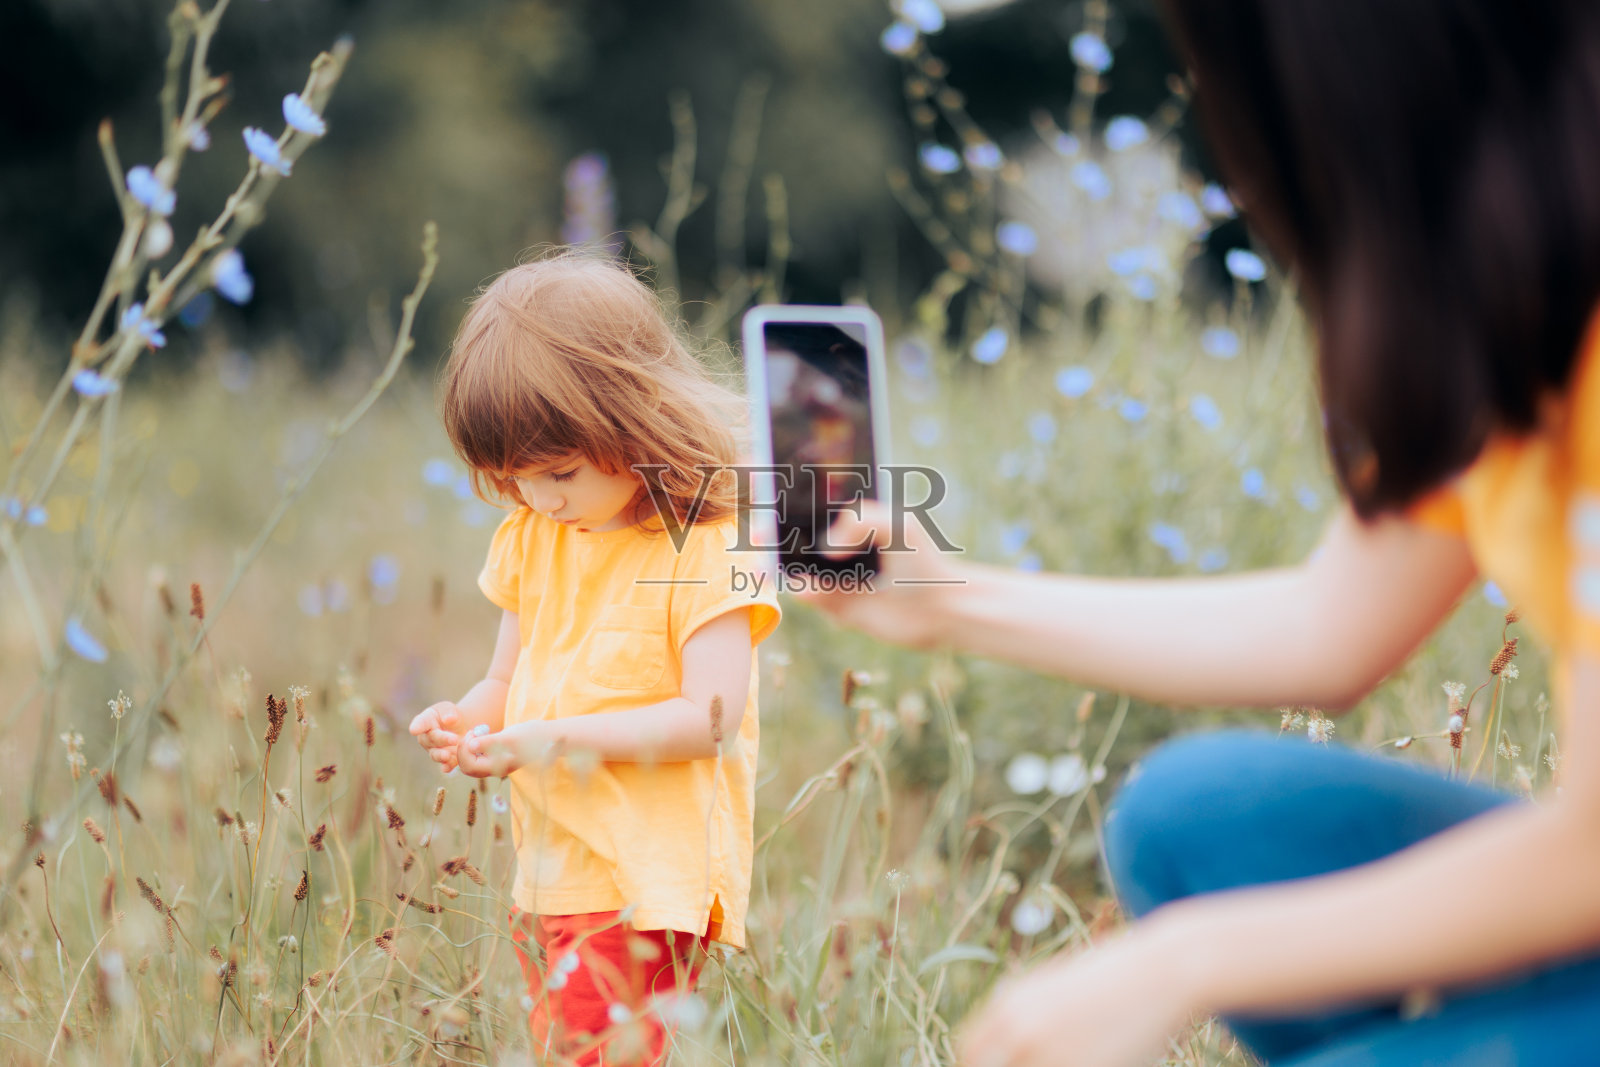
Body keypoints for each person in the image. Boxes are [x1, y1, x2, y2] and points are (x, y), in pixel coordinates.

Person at [795, 1, 1600, 1064]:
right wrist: (948, 598)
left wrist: (1183, 961)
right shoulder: (1509, 314)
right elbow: (1328, 628)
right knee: (1201, 810)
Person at [408, 252, 782, 1066]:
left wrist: (547, 741)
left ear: (633, 419)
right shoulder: (534, 534)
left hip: (643, 878)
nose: (540, 498)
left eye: (559, 472)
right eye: (512, 477)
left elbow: (710, 719)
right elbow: (508, 679)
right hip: (551, 865)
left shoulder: (705, 543)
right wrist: (469, 720)